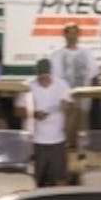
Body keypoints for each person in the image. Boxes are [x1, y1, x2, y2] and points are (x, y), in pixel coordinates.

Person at [17, 58, 71, 187]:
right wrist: (34, 114)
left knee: (58, 179)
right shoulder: (27, 86)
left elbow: (69, 106)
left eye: (46, 76)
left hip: (57, 140)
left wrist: (66, 106)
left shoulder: (62, 85)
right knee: (32, 180)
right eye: (41, 77)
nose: (44, 80)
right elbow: (18, 111)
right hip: (34, 140)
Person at [50, 22, 97, 145]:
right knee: (67, 120)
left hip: (83, 94)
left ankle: (82, 148)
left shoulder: (86, 52)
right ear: (65, 35)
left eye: (75, 33)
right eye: (69, 33)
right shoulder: (56, 54)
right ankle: (66, 146)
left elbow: (93, 73)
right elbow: (55, 76)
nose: (72, 36)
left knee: (82, 120)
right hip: (65, 94)